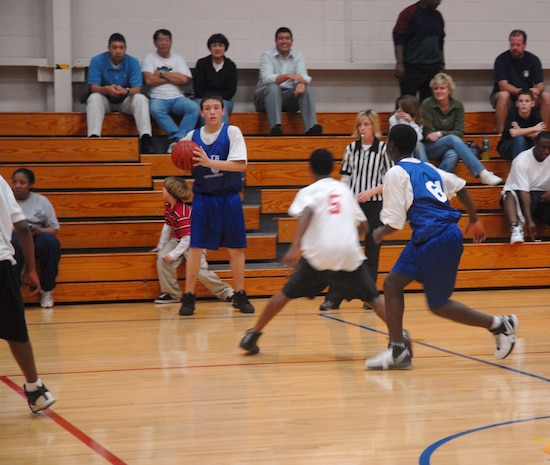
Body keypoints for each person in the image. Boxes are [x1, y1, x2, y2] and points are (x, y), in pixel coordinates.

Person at [364, 125, 518, 370]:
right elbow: (460, 186)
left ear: (390, 146)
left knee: (439, 304)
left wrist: (376, 234)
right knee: (392, 283)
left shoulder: (396, 173)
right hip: (429, 236)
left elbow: (393, 223)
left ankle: (500, 324)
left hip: (436, 236)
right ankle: (397, 351)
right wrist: (474, 220)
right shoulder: (427, 168)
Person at [240, 149, 410, 356]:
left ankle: (253, 335)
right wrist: (344, 231)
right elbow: (364, 226)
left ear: (310, 169)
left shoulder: (309, 191)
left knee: (285, 294)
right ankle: (400, 336)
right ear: (332, 169)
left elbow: (308, 211)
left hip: (319, 253)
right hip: (348, 253)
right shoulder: (344, 190)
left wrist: (295, 246)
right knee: (373, 298)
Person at [176, 94, 254, 316]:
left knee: (236, 248)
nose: (211, 111)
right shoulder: (191, 137)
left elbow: (240, 166)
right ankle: (189, 296)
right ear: (201, 113)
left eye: (216, 108)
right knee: (195, 248)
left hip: (228, 198)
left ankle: (239, 294)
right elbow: (179, 158)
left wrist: (208, 162)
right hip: (203, 199)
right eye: (207, 108)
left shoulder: (232, 132)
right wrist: (180, 156)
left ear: (222, 111)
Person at [319, 110, 393, 311]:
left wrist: (372, 191)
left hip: (375, 204)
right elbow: (345, 177)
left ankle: (369, 297)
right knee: (344, 249)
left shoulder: (384, 150)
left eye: (367, 124)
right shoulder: (351, 148)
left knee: (372, 249)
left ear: (374, 127)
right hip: (352, 205)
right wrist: (344, 200)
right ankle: (334, 297)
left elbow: (390, 180)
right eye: (360, 125)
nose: (363, 128)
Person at [0, 174, 56, 414]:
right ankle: (35, 388)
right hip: (1, 263)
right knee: (16, 330)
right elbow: (22, 226)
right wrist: (30, 269)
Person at [151, 176, 235, 304]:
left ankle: (228, 292)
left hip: (194, 241)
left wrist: (173, 255)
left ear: (171, 193)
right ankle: (172, 294)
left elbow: (187, 239)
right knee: (162, 258)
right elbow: (168, 225)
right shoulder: (169, 206)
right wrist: (161, 246)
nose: (162, 189)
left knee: (200, 272)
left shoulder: (182, 213)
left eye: (165, 188)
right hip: (179, 239)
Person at [422, 73, 503, 185]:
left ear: (450, 90)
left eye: (442, 88)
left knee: (453, 154)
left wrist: (440, 134)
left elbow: (459, 132)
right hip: (430, 147)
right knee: (451, 139)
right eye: (436, 88)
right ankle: (482, 173)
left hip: (449, 146)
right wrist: (445, 135)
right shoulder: (427, 104)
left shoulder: (458, 105)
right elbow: (429, 134)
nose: (439, 91)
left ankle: (436, 184)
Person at [86, 33, 154, 153]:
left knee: (141, 98)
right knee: (94, 97)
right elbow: (94, 87)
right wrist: (106, 89)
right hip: (105, 99)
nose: (118, 51)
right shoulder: (97, 60)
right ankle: (94, 137)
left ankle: (146, 138)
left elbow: (137, 88)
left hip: (124, 100)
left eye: (121, 48)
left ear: (125, 49)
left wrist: (126, 91)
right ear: (108, 48)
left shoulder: (132, 62)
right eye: (114, 47)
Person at [501, 131, 550, 244]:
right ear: (535, 143)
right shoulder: (521, 160)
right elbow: (524, 192)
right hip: (522, 196)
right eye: (543, 147)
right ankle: (516, 229)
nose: (546, 151)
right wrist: (529, 221)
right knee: (508, 194)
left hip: (543, 197)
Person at [254, 27, 322, 136]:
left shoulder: (298, 56)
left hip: (288, 96)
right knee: (273, 87)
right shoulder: (267, 56)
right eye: (281, 38)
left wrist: (301, 83)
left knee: (306, 89)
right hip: (266, 98)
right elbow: (266, 78)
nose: (284, 41)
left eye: (287, 38)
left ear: (292, 41)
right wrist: (287, 76)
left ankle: (311, 128)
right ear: (276, 41)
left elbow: (305, 76)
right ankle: (275, 128)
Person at [142, 29, 200, 153]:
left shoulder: (178, 59)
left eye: (167, 40)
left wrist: (162, 74)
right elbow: (149, 81)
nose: (164, 43)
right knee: (155, 109)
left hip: (177, 97)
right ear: (155, 43)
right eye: (161, 40)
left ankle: (178, 141)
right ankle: (179, 138)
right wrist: (173, 78)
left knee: (194, 108)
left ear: (171, 42)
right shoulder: (149, 58)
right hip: (158, 97)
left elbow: (184, 79)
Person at [10, 168, 61, 309]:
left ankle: (47, 289)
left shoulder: (42, 201)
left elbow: (54, 228)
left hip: (37, 233)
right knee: (13, 246)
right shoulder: (7, 201)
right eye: (15, 182)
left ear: (31, 185)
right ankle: (15, 292)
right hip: (15, 234)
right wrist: (19, 229)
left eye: (22, 182)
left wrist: (39, 230)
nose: (18, 186)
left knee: (51, 243)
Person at [491, 30, 550, 134]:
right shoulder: (501, 59)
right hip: (508, 96)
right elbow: (502, 85)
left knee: (546, 96)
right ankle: (501, 134)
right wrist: (521, 93)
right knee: (503, 95)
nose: (514, 47)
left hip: (527, 96)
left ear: (524, 45)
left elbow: (540, 84)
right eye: (512, 44)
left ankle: (543, 134)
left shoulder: (533, 60)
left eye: (518, 45)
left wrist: (537, 90)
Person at [392, 0, 445, 102]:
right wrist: (400, 63)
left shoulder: (437, 16)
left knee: (429, 104)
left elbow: (440, 42)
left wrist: (442, 63)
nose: (439, 2)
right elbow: (399, 38)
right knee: (407, 102)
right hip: (412, 67)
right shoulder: (409, 13)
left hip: (433, 67)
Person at [193, 33, 238, 125]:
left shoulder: (231, 66)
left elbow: (231, 91)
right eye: (214, 46)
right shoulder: (202, 63)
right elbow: (198, 88)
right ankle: (205, 136)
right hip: (203, 98)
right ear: (210, 48)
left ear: (225, 48)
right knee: (206, 107)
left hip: (224, 99)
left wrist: (216, 100)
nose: (217, 48)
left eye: (220, 46)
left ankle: (220, 137)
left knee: (220, 107)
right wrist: (209, 100)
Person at [496, 89, 546, 160]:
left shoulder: (535, 114)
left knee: (541, 141)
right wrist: (534, 128)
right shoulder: (512, 113)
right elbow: (513, 133)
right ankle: (519, 167)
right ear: (517, 104)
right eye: (521, 101)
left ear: (533, 103)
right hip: (508, 146)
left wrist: (520, 131)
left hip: (528, 145)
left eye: (527, 101)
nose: (524, 104)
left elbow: (540, 133)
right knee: (519, 139)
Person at [388, 94, 427, 162]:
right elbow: (397, 136)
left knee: (418, 145)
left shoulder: (417, 119)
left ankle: (424, 169)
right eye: (398, 107)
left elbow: (419, 138)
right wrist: (403, 121)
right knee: (418, 145)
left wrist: (411, 122)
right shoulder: (394, 118)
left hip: (413, 146)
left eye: (401, 108)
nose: (398, 110)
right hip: (398, 145)